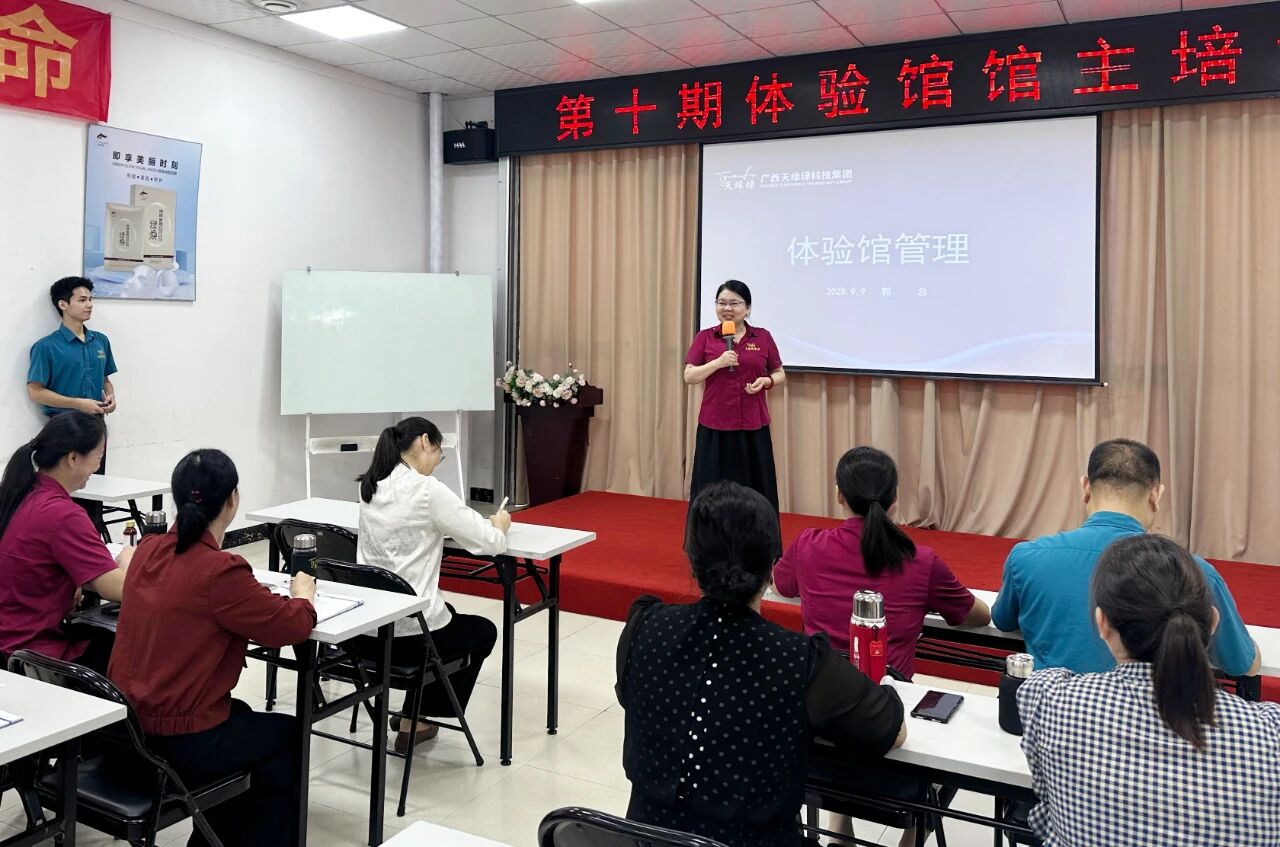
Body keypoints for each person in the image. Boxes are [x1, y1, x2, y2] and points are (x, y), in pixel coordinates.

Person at [616, 481, 905, 847]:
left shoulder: (644, 627)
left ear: (691, 558)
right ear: (772, 567)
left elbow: (635, 699)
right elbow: (890, 729)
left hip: (645, 839)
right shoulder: (800, 661)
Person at [108, 449, 317, 847]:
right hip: (179, 740)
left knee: (244, 719)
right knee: (287, 735)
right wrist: (303, 596)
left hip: (128, 730)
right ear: (233, 500)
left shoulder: (147, 551)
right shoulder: (221, 571)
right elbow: (291, 626)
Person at [1018, 534, 1280, 846]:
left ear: (1101, 622)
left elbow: (1045, 813)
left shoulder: (1050, 700)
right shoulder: (1270, 736)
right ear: (1212, 622)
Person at [992, 438, 1259, 677]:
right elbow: (1242, 664)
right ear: (1156, 494)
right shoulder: (1193, 573)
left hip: (1048, 719)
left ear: (1085, 487)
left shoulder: (1026, 557)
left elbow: (1003, 621)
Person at [356, 417, 509, 753]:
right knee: (482, 631)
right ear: (425, 442)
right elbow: (489, 542)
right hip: (407, 637)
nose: (436, 464)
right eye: (438, 455)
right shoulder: (427, 490)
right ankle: (418, 719)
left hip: (363, 634)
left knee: (447, 614)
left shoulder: (371, 483)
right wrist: (500, 524)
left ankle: (415, 712)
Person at [774, 446, 990, 680]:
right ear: (895, 497)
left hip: (819, 694)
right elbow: (978, 615)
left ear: (839, 495)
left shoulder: (807, 545)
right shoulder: (921, 561)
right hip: (888, 699)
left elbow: (780, 584)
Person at [0, 411, 131, 670]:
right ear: (73, 458)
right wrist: (128, 558)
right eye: (98, 458)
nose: (97, 468)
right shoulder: (64, 515)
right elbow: (120, 589)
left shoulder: (17, 494)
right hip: (34, 653)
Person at [684, 280, 785, 513]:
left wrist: (766, 381)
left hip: (752, 427)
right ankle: (709, 543)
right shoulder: (705, 337)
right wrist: (717, 363)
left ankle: (758, 542)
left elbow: (779, 373)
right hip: (715, 426)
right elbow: (689, 376)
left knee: (755, 491)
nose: (727, 308)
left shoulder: (762, 337)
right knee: (711, 492)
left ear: (748, 308)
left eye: (734, 303)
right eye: (721, 303)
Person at [27, 277, 118, 528]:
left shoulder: (101, 341)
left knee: (95, 489)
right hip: (64, 427)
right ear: (63, 304)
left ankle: (93, 540)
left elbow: (106, 380)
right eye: (82, 299)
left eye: (90, 299)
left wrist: (110, 395)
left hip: (96, 425)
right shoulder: (46, 347)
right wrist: (78, 404)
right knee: (67, 492)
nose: (89, 304)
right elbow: (35, 392)